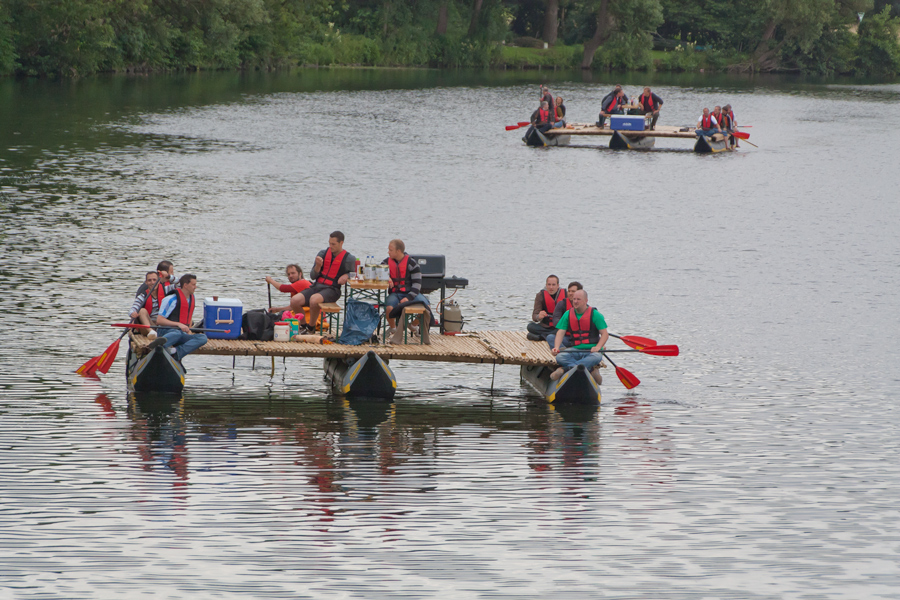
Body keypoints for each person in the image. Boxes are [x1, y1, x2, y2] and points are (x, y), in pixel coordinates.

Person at [292, 231, 355, 333]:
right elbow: (312, 276)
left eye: (333, 244)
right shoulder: (322, 254)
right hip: (317, 286)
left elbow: (355, 274)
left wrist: (346, 276)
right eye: (329, 243)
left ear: (341, 243)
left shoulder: (349, 259)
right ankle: (303, 325)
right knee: (295, 300)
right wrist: (317, 266)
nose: (331, 246)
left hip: (332, 289)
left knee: (314, 300)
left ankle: (311, 328)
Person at [550, 289, 609, 384]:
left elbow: (605, 334)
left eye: (579, 299)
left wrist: (598, 347)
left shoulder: (595, 314)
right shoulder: (568, 314)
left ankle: (565, 369)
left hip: (591, 351)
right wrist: (556, 347)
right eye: (574, 299)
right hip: (575, 350)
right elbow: (560, 332)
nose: (576, 301)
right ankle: (590, 370)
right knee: (560, 357)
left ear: (586, 301)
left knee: (596, 357)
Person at [146, 274, 208, 361]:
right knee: (176, 333)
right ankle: (159, 345)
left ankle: (176, 353)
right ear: (185, 285)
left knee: (202, 338)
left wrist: (188, 329)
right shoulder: (171, 299)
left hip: (181, 333)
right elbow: (159, 320)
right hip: (167, 331)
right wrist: (178, 324)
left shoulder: (191, 299)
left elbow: (188, 317)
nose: (195, 287)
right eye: (193, 285)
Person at [382, 239, 432, 342]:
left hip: (411, 293)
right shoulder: (386, 262)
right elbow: (378, 271)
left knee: (427, 307)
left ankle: (413, 325)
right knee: (389, 308)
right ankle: (393, 328)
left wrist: (408, 298)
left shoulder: (412, 263)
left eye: (390, 250)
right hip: (395, 293)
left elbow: (417, 284)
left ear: (398, 251)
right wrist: (386, 277)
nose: (388, 252)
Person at [129, 262, 178, 335]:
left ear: (159, 281)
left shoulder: (166, 290)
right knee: (142, 310)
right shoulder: (143, 296)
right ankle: (151, 332)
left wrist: (168, 276)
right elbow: (133, 308)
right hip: (149, 325)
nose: (152, 283)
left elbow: (181, 284)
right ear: (146, 282)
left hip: (162, 324)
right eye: (149, 280)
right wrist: (133, 313)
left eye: (155, 280)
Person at [527, 275, 565, 341]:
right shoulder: (540, 295)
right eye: (549, 285)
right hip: (545, 326)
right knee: (530, 326)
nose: (551, 287)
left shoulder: (566, 295)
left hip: (559, 326)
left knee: (565, 330)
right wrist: (539, 316)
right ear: (546, 285)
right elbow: (534, 316)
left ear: (558, 286)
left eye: (553, 285)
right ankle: (550, 336)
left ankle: (541, 337)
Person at [546, 281, 582, 349]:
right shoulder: (562, 304)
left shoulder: (584, 307)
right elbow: (555, 320)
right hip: (565, 336)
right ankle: (564, 351)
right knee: (550, 337)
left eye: (573, 291)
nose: (570, 293)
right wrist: (568, 325)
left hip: (580, 339)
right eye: (569, 291)